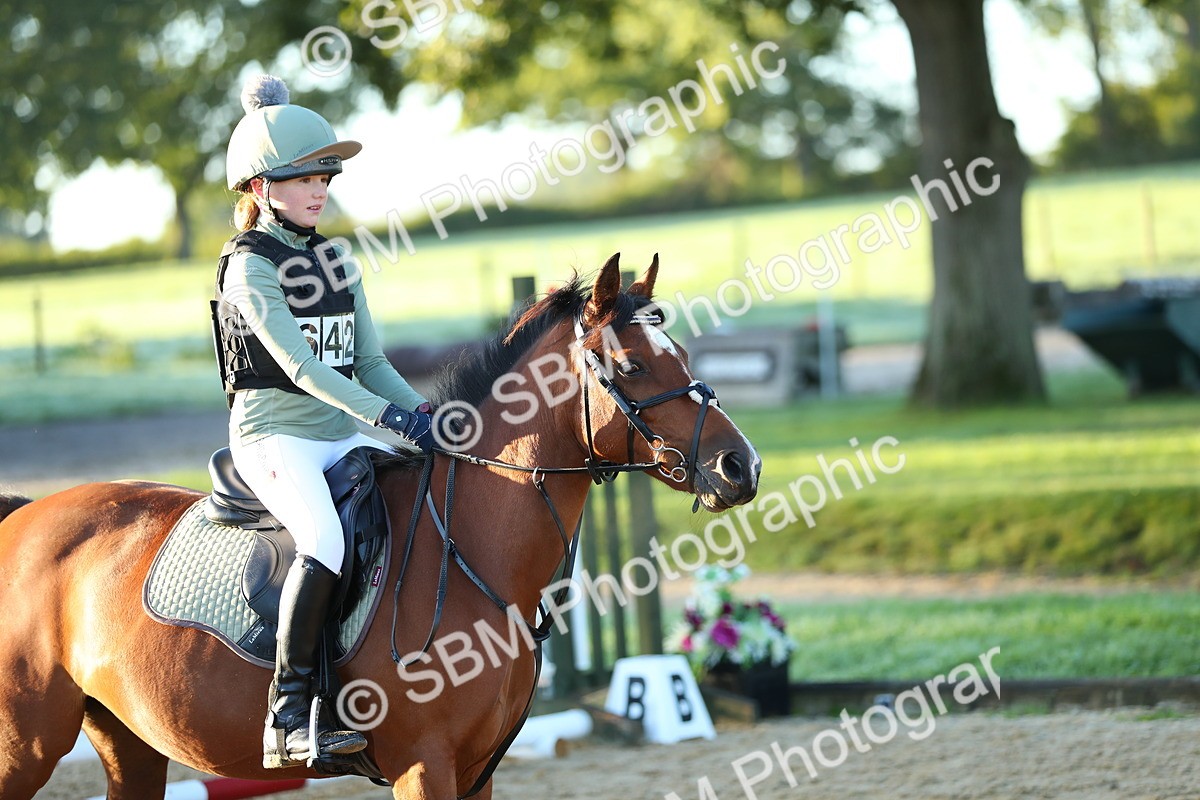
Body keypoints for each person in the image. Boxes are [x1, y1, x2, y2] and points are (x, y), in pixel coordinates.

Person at [215, 74, 434, 769]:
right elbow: (306, 369)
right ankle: (287, 717)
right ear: (259, 189)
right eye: (303, 177)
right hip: (275, 437)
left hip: (339, 430)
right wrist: (390, 418)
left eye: (325, 176)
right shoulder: (249, 269)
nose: (319, 189)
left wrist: (425, 413)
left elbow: (369, 361)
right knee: (326, 542)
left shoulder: (335, 258)